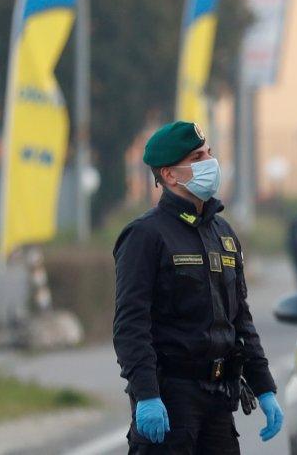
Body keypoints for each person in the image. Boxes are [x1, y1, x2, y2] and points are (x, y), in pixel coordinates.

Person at [113, 121, 284, 453]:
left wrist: (264, 387)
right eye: (197, 157)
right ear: (170, 175)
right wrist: (147, 394)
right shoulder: (145, 236)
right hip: (172, 398)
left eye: (208, 153)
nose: (209, 162)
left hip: (220, 398)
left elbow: (240, 320)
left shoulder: (222, 233)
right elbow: (130, 325)